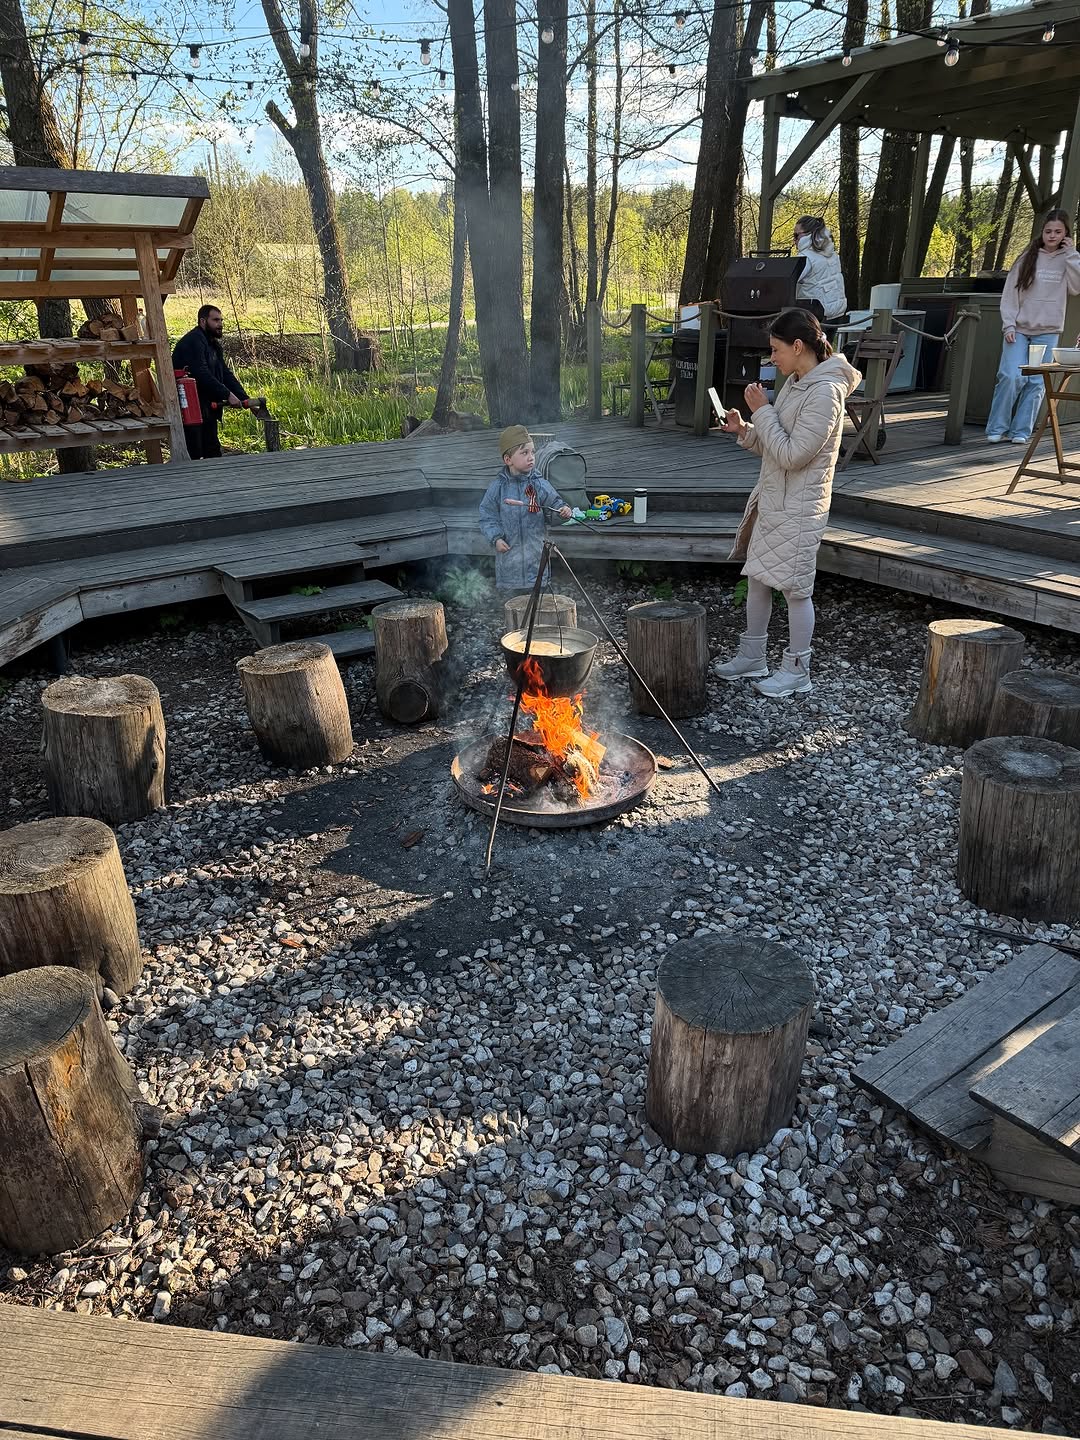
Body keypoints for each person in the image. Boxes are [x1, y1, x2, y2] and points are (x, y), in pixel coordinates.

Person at [714, 308, 860, 697]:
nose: (771, 358)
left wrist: (762, 412)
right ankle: (752, 657)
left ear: (798, 346)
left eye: (776, 349)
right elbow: (774, 446)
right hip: (775, 499)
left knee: (796, 589)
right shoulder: (797, 382)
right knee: (759, 577)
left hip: (800, 506)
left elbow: (795, 455)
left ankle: (797, 670)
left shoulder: (826, 393)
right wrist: (746, 429)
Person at [986, 209, 1080, 444]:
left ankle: (1021, 431)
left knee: (1037, 381)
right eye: (1048, 231)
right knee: (1010, 376)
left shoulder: (1068, 258)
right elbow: (1010, 293)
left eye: (1058, 232)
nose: (1052, 235)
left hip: (1048, 330)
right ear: (1042, 232)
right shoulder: (1027, 257)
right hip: (1018, 329)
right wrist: (1008, 325)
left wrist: (1071, 254)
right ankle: (997, 427)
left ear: (1066, 233)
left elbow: (1076, 288)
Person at [478, 425, 573, 591]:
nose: (531, 458)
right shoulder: (498, 488)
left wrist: (563, 510)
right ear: (508, 460)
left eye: (533, 452)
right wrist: (496, 538)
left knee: (538, 605)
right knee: (514, 609)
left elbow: (554, 505)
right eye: (524, 453)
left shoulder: (539, 484)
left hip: (536, 559)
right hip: (509, 562)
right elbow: (487, 516)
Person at [171, 304, 248, 459]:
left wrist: (244, 397)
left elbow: (224, 373)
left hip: (207, 406)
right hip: (190, 408)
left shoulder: (213, 345)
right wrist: (227, 394)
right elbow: (201, 373)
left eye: (221, 320)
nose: (220, 324)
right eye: (215, 320)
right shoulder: (194, 341)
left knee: (212, 450)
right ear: (203, 321)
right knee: (195, 452)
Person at [793, 216, 848, 323]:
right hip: (837, 312)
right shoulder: (832, 254)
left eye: (796, 235)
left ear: (808, 234)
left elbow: (789, 280)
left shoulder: (805, 258)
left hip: (817, 314)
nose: (794, 239)